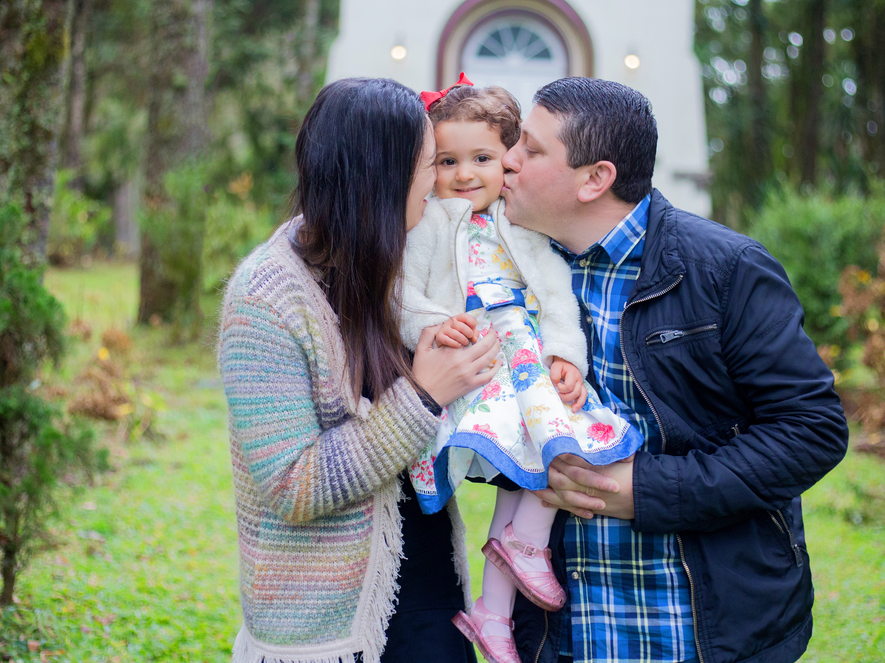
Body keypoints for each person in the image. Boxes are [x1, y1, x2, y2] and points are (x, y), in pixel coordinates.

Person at [498, 77, 850, 663]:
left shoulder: (726, 269)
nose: (507, 160)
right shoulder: (515, 272)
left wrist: (648, 491)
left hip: (704, 630)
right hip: (565, 633)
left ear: (595, 179)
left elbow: (811, 430)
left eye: (530, 150)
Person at [218, 77, 501, 663]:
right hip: (323, 621)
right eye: (430, 164)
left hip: (425, 587)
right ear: (383, 179)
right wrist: (423, 396)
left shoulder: (395, 260)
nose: (441, 181)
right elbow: (293, 485)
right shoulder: (265, 301)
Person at [399, 78, 642, 663]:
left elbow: (556, 293)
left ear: (506, 159)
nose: (463, 174)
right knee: (541, 451)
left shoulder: (518, 221)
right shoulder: (429, 224)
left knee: (556, 443)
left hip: (526, 356)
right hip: (474, 360)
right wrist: (433, 325)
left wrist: (567, 356)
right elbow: (401, 296)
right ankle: (519, 555)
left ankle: (494, 612)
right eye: (447, 161)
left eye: (481, 158)